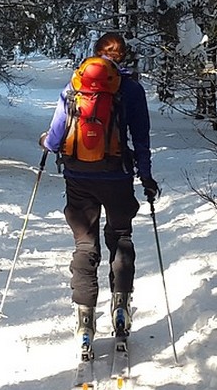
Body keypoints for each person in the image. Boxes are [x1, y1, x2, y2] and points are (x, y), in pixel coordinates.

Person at [41, 32, 159, 353]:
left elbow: (55, 136)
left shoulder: (75, 85)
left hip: (79, 176)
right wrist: (145, 176)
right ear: (122, 57)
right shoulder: (130, 88)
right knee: (121, 238)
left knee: (85, 244)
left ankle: (84, 321)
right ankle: (120, 307)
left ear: (95, 53)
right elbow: (142, 138)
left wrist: (46, 143)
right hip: (117, 175)